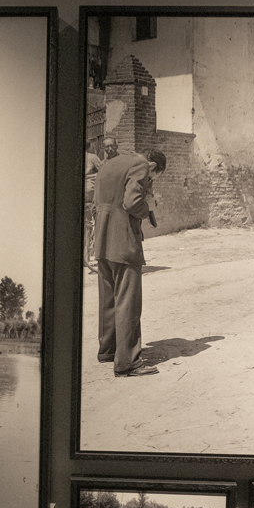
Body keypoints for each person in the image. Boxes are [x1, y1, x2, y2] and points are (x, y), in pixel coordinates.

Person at [92, 148, 166, 377]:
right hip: (123, 240)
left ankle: (108, 350)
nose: (150, 182)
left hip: (102, 239)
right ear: (153, 166)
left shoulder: (110, 163)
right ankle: (127, 362)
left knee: (109, 298)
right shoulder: (141, 165)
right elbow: (133, 202)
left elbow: (96, 201)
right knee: (128, 301)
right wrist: (148, 209)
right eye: (153, 179)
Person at [84, 139, 103, 273]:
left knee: (86, 224)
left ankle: (85, 257)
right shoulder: (92, 157)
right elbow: (104, 171)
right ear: (90, 146)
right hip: (90, 194)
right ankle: (91, 255)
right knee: (93, 224)